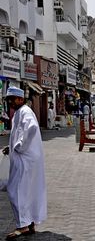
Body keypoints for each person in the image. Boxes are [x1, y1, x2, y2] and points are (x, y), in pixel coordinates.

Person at [2, 86, 47, 240]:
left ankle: (23, 226)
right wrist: (12, 146)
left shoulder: (25, 112)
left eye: (11, 99)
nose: (10, 102)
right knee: (27, 192)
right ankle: (30, 222)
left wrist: (18, 147)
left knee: (17, 191)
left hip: (24, 161)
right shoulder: (21, 112)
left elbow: (32, 128)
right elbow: (21, 133)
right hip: (26, 159)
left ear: (20, 99)